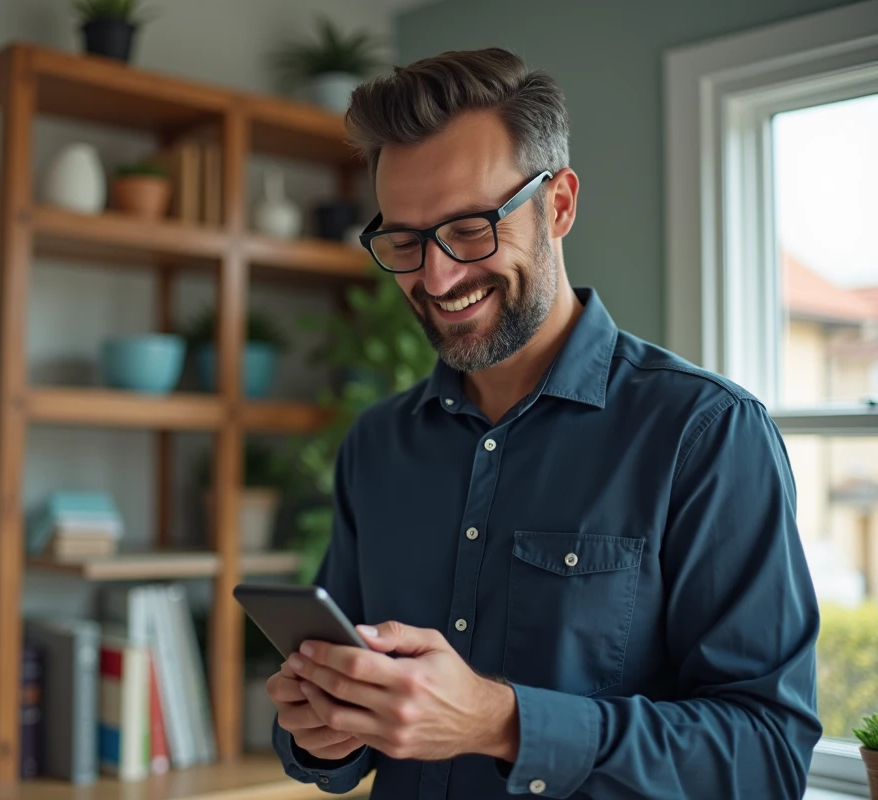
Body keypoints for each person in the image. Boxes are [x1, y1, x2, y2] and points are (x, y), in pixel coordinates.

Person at [267, 48, 821, 799]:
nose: (437, 278)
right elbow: (346, 721)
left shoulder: (707, 435)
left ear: (557, 205)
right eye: (404, 241)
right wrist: (322, 731)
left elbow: (767, 759)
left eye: (469, 228)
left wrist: (501, 722)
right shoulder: (376, 445)